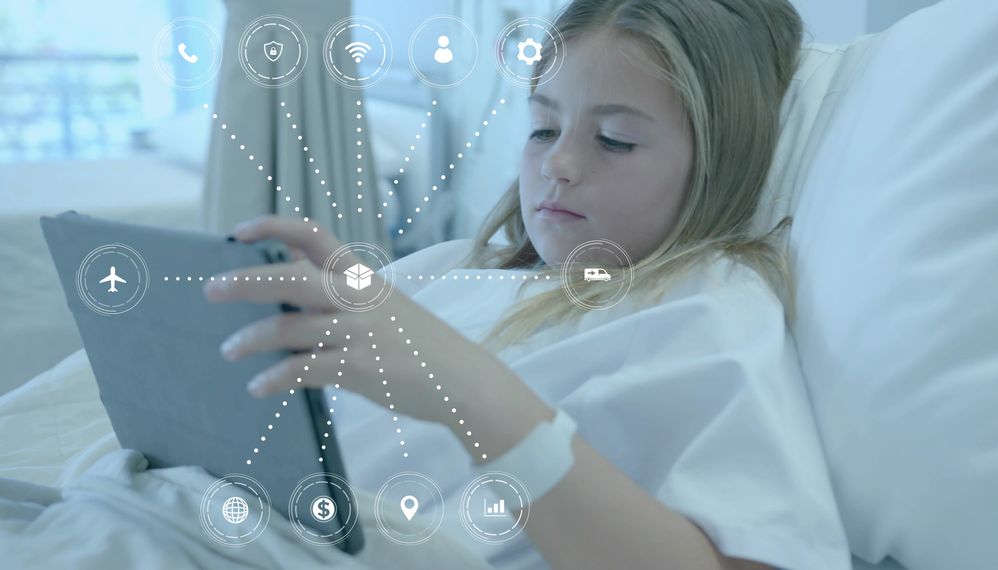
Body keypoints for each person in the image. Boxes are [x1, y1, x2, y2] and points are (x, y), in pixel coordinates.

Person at [204, 0, 850, 568]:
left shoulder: (704, 307)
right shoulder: (450, 266)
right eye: (543, 128)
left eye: (615, 140)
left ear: (718, 163)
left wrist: (474, 392)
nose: (559, 164)